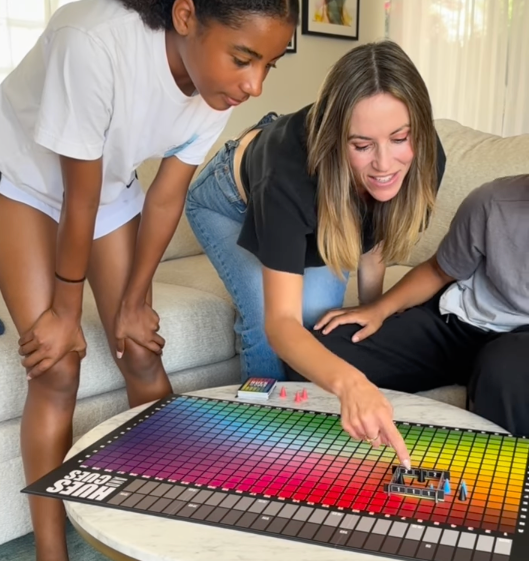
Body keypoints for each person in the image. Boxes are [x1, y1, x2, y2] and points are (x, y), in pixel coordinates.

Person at [0, 0, 298, 561]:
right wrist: (67, 311)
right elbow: (76, 191)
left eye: (269, 65)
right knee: (56, 364)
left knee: (140, 352)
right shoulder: (92, 40)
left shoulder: (214, 92)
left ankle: (175, 518)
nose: (253, 85)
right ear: (187, 17)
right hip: (30, 181)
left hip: (111, 186)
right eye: (244, 57)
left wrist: (134, 303)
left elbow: (163, 197)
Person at [185, 40, 446, 469]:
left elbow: (373, 232)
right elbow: (282, 325)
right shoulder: (289, 177)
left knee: (321, 322)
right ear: (335, 138)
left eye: (399, 138)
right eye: (362, 145)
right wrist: (351, 383)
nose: (385, 163)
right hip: (226, 201)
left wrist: (373, 312)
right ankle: (263, 456)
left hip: (310, 202)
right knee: (269, 317)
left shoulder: (426, 157)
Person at [311, 175, 529, 561]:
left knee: (505, 372)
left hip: (519, 350)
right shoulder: (493, 200)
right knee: (325, 350)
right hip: (464, 322)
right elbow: (439, 269)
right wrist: (377, 309)